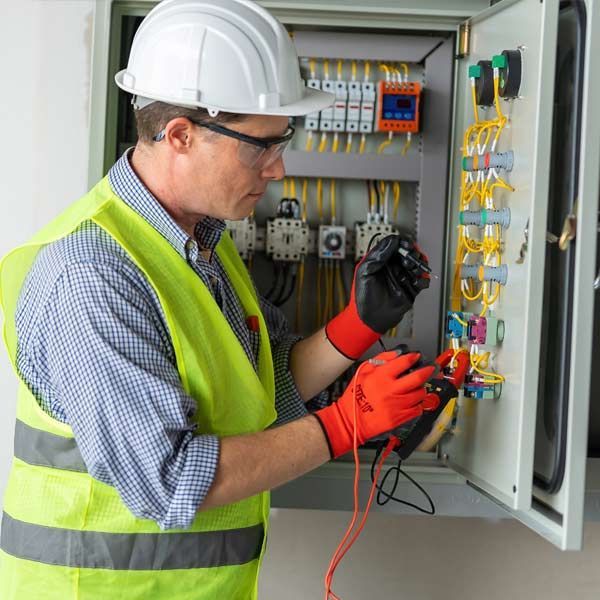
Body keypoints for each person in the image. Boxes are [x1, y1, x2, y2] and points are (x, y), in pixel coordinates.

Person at [0, 1, 433, 598]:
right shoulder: (93, 275)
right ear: (180, 135)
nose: (279, 168)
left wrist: (357, 327)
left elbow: (258, 391)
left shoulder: (202, 241)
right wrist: (346, 423)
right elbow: (172, 478)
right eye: (260, 146)